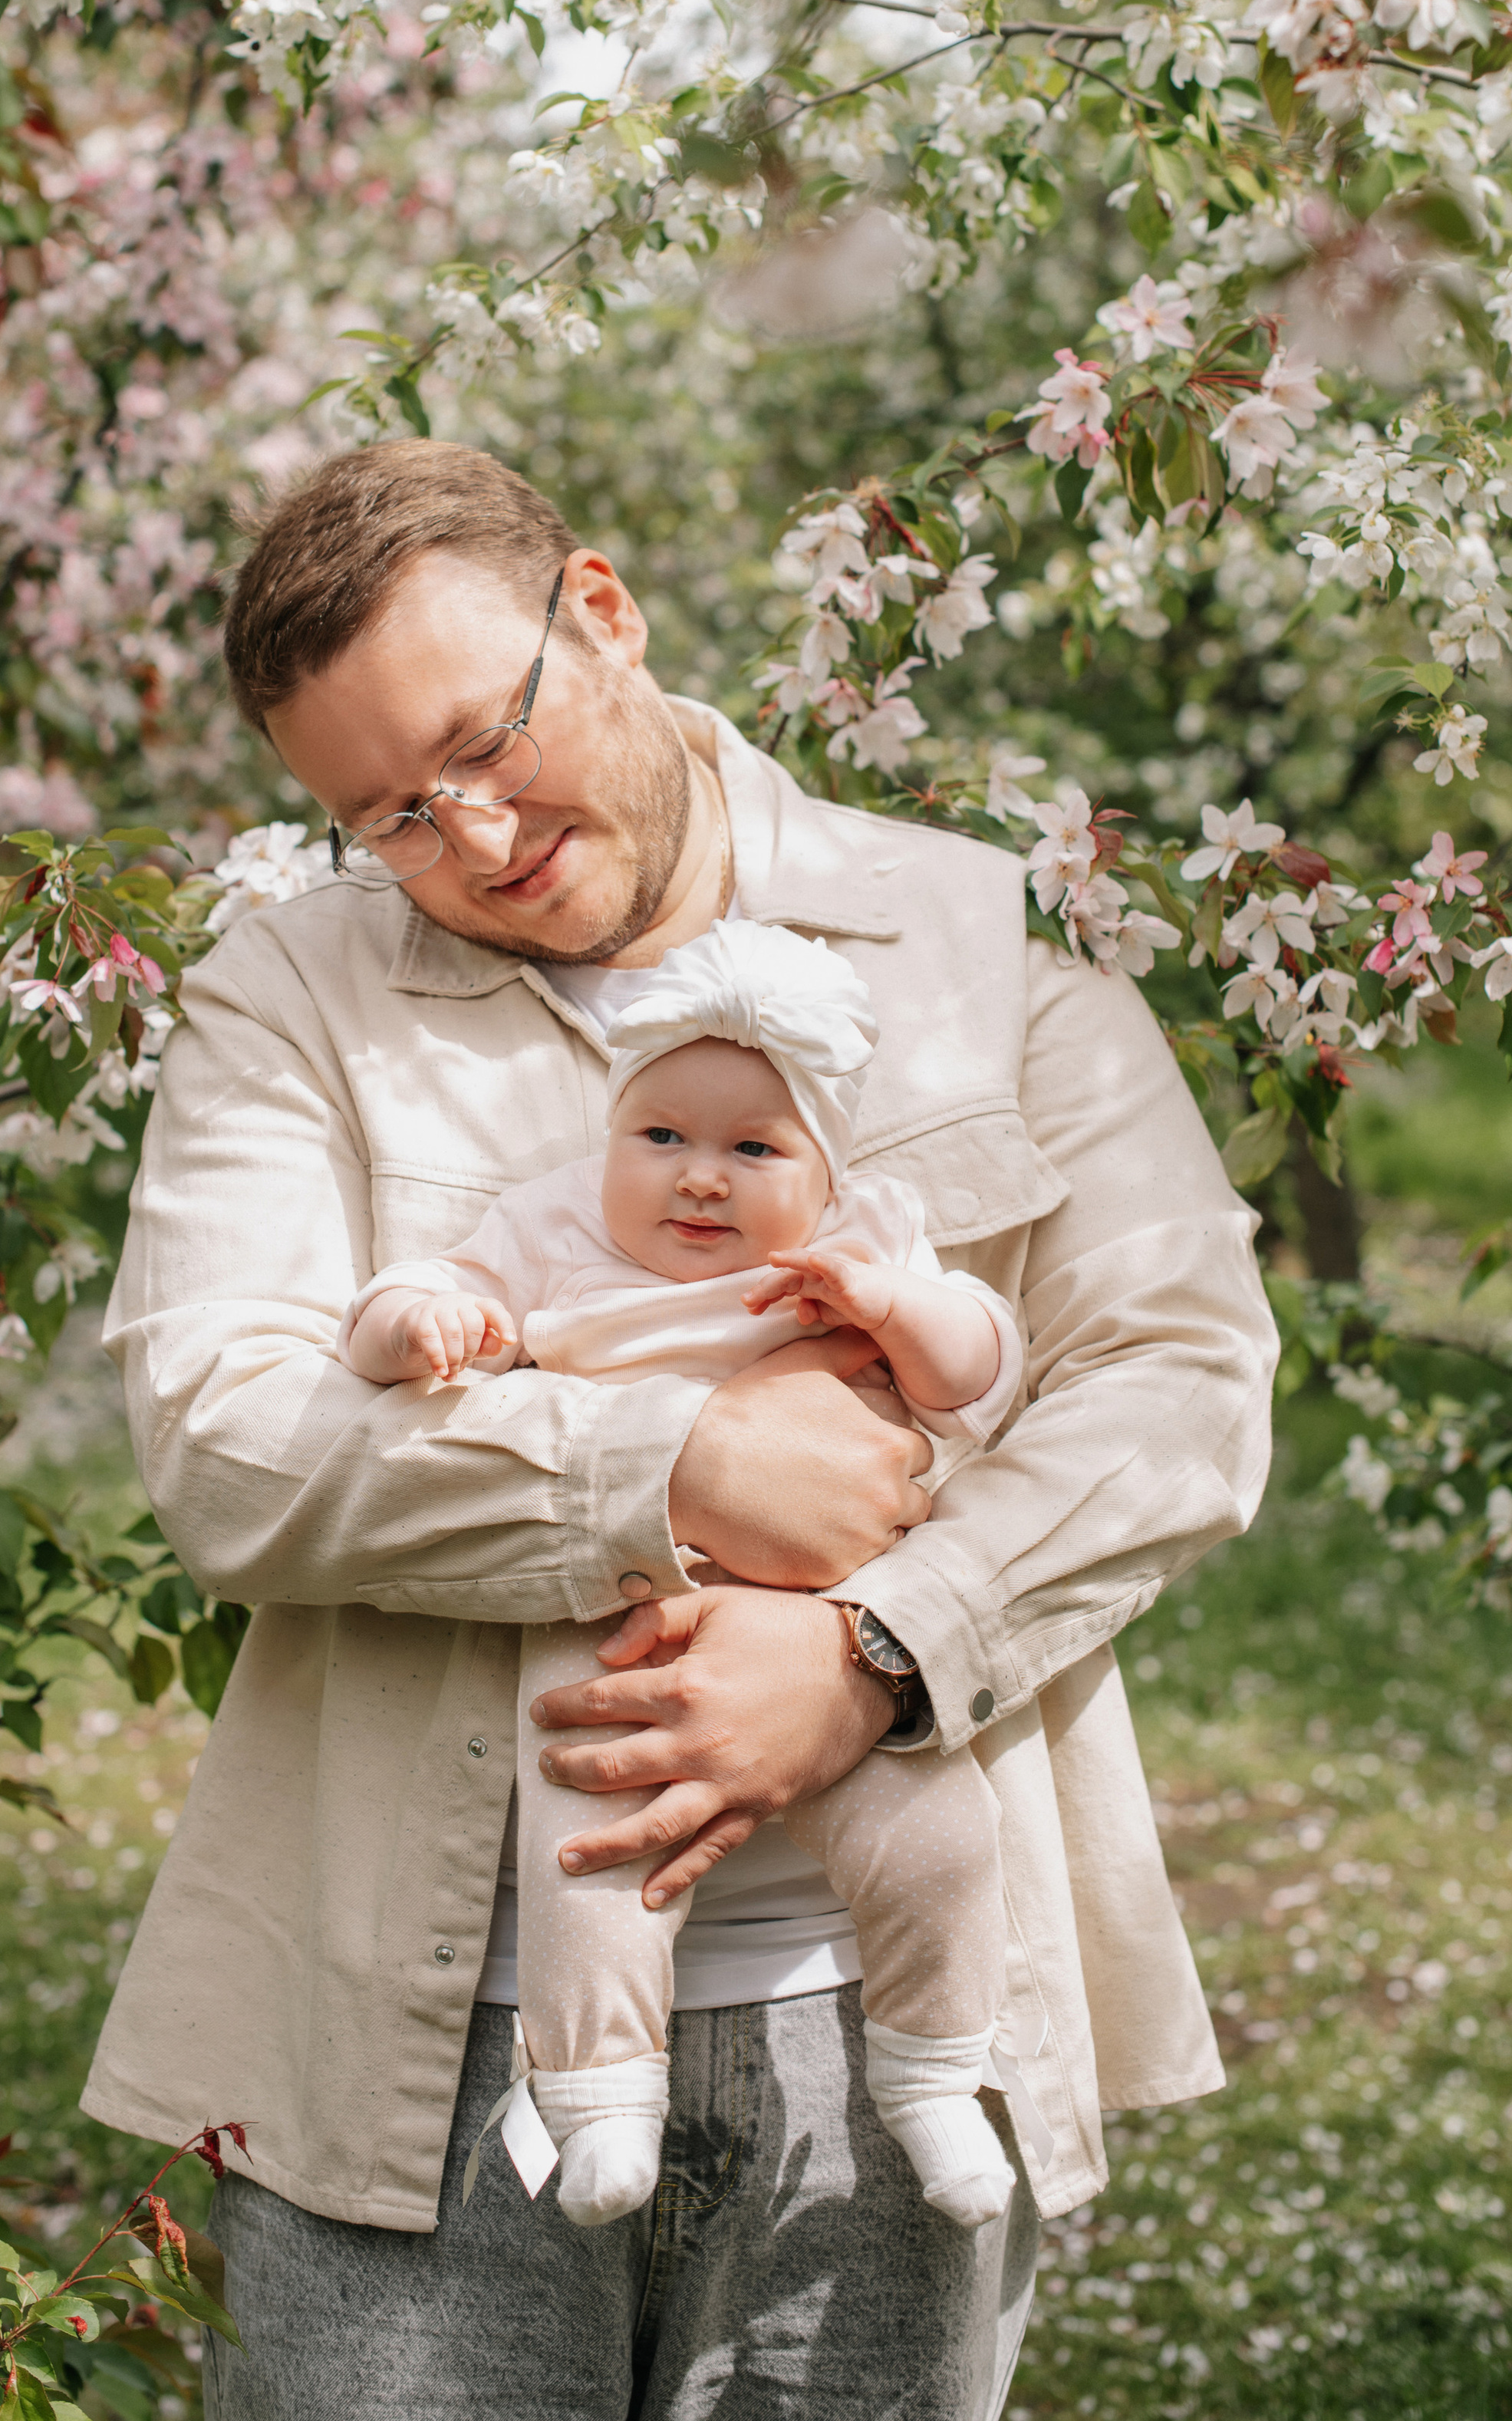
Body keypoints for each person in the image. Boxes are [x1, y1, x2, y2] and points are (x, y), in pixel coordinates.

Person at [82, 440, 1279, 2421]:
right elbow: (227, 1439)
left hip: (893, 2022)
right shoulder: (294, 996)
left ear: (605, 614)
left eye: (487, 737)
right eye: (390, 811)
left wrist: (881, 1642)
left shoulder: (975, 950)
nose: (472, 835)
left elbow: (1178, 1377)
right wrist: (668, 1468)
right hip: (423, 2052)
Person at [341, 917, 1024, 2233]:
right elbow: (415, 1291)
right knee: (592, 1844)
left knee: (942, 1842)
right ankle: (602, 2095)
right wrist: (418, 1324)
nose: (699, 1179)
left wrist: (893, 1309)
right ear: (613, 1134)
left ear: (825, 1170)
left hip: (827, 1622)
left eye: (753, 1150)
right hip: (618, 1599)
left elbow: (980, 1366)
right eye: (661, 1137)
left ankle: (939, 2070)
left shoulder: (867, 1239)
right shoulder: (549, 1227)